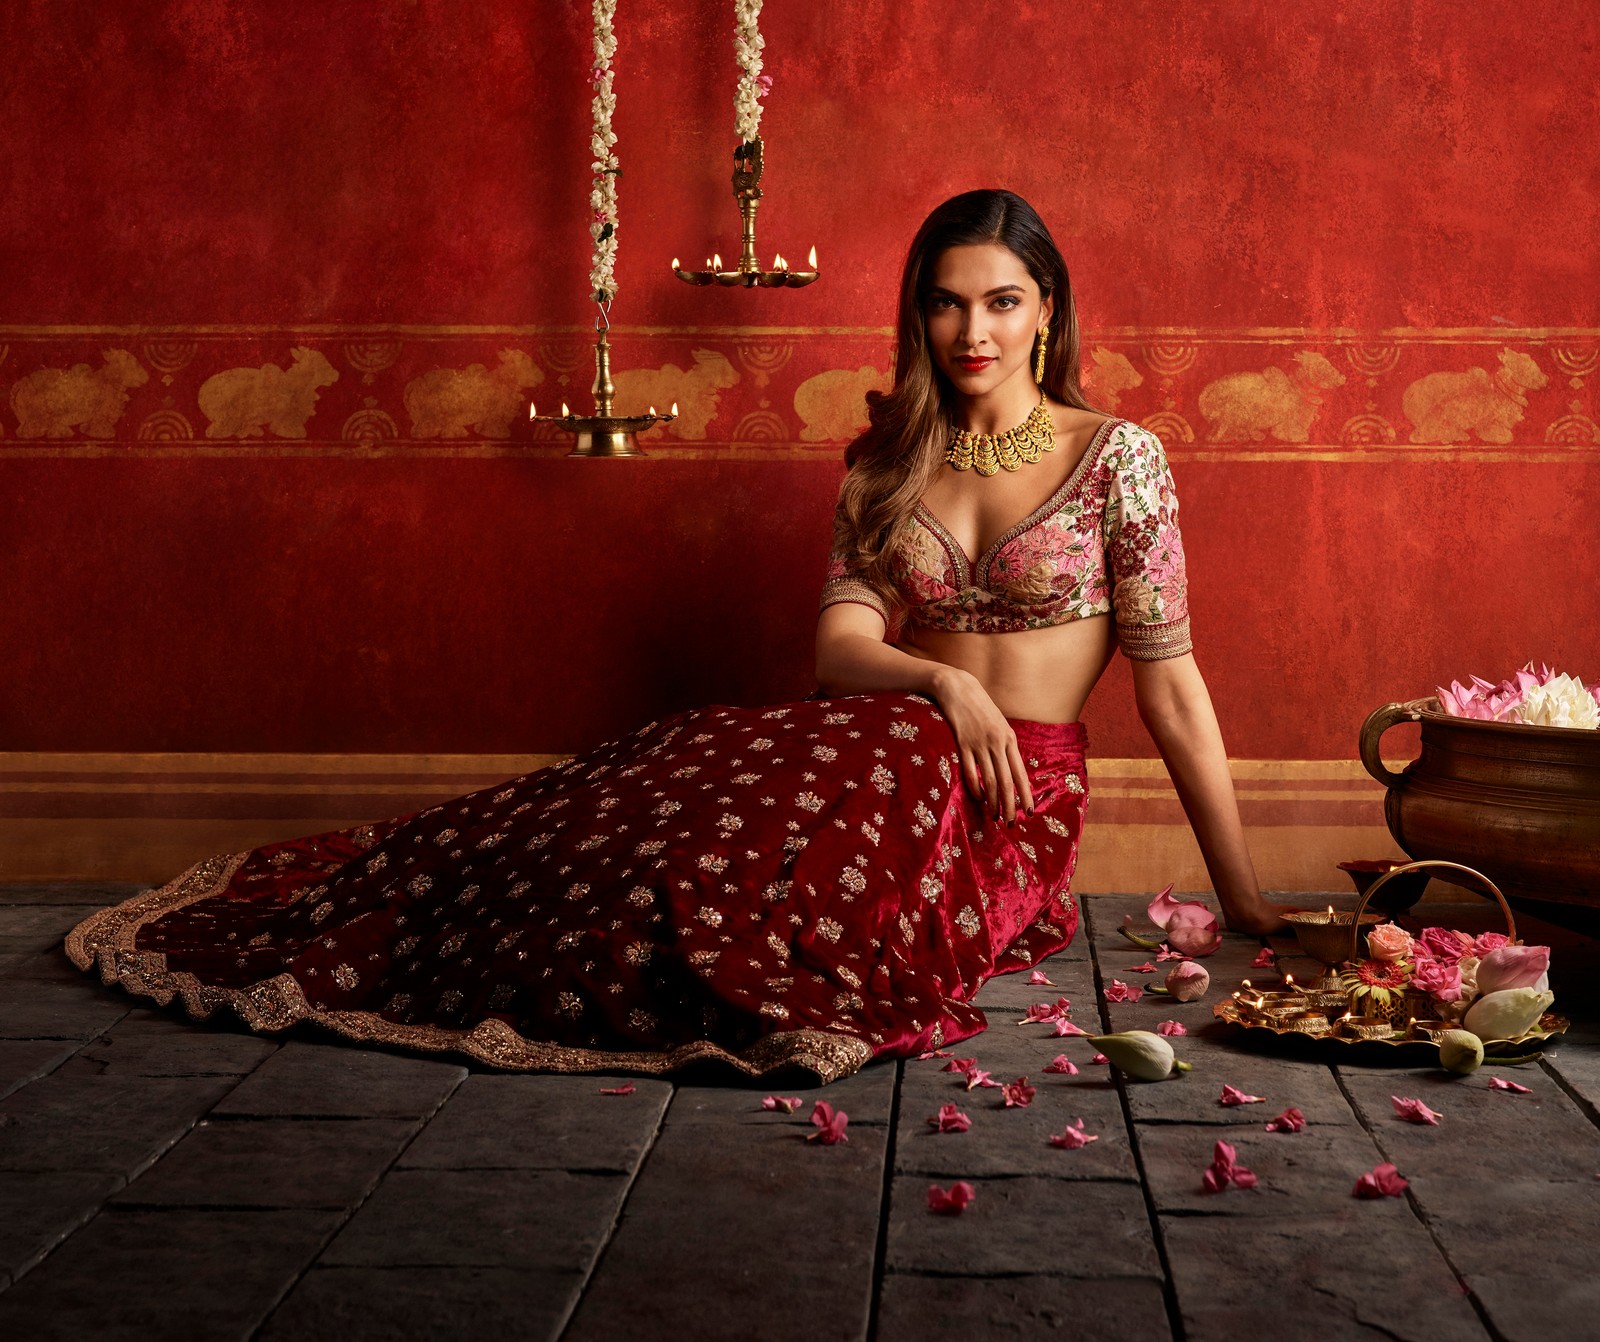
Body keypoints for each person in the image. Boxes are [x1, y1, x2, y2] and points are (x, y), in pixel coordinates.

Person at [67, 189, 1286, 1086]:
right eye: (948, 301)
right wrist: (940, 686)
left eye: (1002, 302)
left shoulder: (1115, 455)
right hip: (873, 734)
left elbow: (1170, 683)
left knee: (735, 918)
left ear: (1044, 310)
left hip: (1004, 785)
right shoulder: (885, 460)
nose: (974, 329)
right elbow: (840, 648)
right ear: (919, 313)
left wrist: (1238, 897)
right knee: (651, 806)